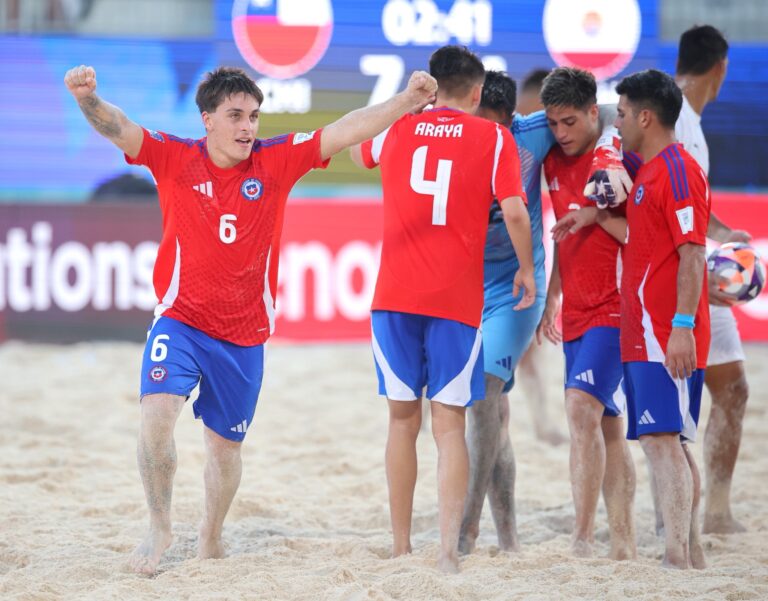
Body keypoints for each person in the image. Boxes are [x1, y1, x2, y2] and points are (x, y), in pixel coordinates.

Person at [64, 63, 438, 575]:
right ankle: (159, 526)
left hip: (243, 336)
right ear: (207, 120)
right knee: (155, 421)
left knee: (224, 450)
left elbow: (348, 128)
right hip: (180, 321)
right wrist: (87, 98)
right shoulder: (174, 156)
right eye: (235, 115)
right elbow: (117, 126)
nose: (247, 127)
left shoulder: (276, 160)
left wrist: (406, 101)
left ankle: (210, 535)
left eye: (254, 116)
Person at [351, 46, 535, 573]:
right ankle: (448, 553)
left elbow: (356, 149)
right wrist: (525, 269)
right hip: (455, 299)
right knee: (449, 427)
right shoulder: (494, 137)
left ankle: (401, 545)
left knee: (400, 422)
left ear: (431, 85)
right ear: (478, 93)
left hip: (394, 297)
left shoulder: (398, 129)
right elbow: (517, 214)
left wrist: (406, 107)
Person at [458, 70, 630, 555]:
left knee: (488, 397)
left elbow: (621, 112)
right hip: (470, 286)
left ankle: (469, 529)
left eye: (495, 129)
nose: (486, 139)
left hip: (520, 285)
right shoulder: (467, 133)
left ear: (510, 120)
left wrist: (610, 150)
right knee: (492, 412)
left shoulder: (536, 132)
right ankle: (509, 536)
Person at [537, 67, 637, 560]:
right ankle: (624, 540)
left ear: (594, 113)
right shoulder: (554, 160)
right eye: (553, 123)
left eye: (570, 121)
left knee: (580, 409)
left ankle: (582, 536)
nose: (561, 133)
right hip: (576, 306)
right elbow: (564, 239)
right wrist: (552, 297)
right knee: (607, 427)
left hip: (616, 307)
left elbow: (642, 238)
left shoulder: (621, 157)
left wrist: (597, 213)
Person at [615, 69, 710, 569]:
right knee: (669, 441)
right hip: (648, 331)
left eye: (623, 112)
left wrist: (681, 326)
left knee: (660, 442)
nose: (618, 120)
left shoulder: (676, 169)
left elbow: (693, 252)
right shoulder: (651, 169)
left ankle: (677, 555)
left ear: (646, 116)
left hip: (662, 333)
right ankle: (690, 554)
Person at [674, 24, 751, 535]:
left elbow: (693, 206)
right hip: (684, 276)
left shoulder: (686, 119)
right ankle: (696, 512)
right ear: (720, 69)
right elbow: (671, 207)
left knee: (730, 389)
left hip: (697, 267)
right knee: (692, 399)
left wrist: (726, 232)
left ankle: (712, 511)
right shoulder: (677, 118)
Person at [513, 67, 569, 447]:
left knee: (530, 349)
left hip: (522, 256)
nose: (554, 126)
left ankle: (543, 423)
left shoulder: (544, 137)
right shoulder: (504, 131)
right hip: (488, 257)